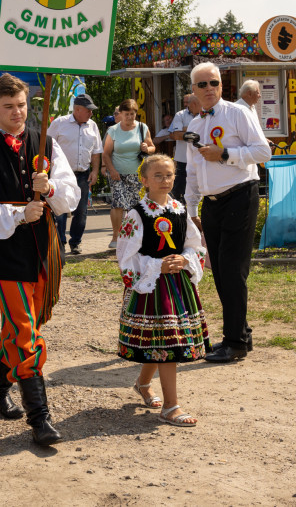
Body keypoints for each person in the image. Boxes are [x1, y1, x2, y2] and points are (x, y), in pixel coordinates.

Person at [0, 73, 80, 446]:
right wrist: (16, 215)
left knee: (25, 322)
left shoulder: (44, 143)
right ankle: (40, 419)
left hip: (43, 245)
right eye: (8, 106)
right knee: (26, 329)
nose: (17, 112)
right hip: (2, 248)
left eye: (22, 105)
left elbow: (69, 197)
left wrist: (52, 188)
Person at [185, 62, 270, 363]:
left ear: (222, 86)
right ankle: (240, 334)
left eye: (214, 83)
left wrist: (224, 154)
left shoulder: (238, 113)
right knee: (220, 272)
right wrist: (191, 207)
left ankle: (234, 342)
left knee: (233, 271)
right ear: (193, 90)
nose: (209, 89)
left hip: (239, 196)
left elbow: (263, 152)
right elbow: (193, 170)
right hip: (211, 204)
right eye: (202, 84)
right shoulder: (195, 125)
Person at [116, 154, 209, 427]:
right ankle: (171, 406)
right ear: (144, 180)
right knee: (167, 343)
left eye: (169, 175)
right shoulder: (137, 213)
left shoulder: (180, 209)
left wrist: (185, 259)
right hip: (152, 287)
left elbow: (193, 243)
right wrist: (157, 267)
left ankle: (144, 384)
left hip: (177, 285)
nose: (165, 180)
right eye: (157, 175)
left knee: (165, 341)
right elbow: (126, 256)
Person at [47, 93, 103, 255]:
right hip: (61, 175)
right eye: (88, 110)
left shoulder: (92, 126)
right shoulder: (59, 123)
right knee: (61, 209)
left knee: (81, 211)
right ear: (77, 109)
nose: (91, 113)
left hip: (83, 175)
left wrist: (94, 171)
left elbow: (96, 151)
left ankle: (76, 242)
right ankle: (60, 243)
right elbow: (47, 146)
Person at [104, 99, 154, 249]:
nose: (130, 117)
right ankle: (116, 237)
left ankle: (138, 237)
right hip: (118, 174)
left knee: (137, 206)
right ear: (120, 114)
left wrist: (147, 148)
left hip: (138, 175)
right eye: (126, 114)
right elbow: (106, 154)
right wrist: (112, 170)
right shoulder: (113, 130)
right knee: (118, 203)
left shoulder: (142, 127)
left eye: (132, 114)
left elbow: (152, 147)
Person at [168, 94, 201, 201]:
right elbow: (176, 135)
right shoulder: (180, 115)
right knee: (179, 192)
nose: (186, 105)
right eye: (185, 102)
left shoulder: (205, 113)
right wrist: (195, 129)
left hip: (201, 158)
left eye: (188, 102)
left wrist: (185, 128)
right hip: (183, 160)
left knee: (200, 190)